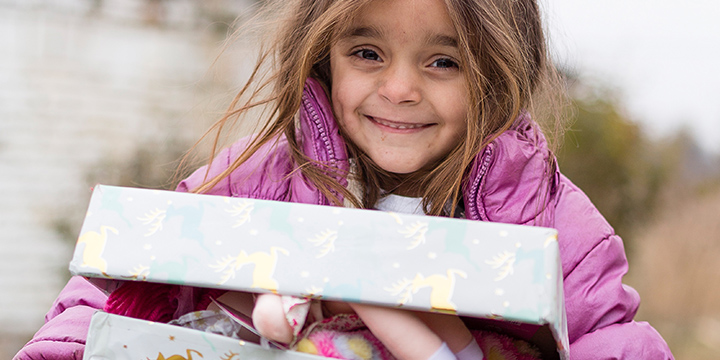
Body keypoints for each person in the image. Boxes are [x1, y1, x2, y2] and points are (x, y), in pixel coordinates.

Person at [15, 0, 674, 359]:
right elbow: (107, 301)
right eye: (367, 53)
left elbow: (613, 343)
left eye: (442, 61)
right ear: (325, 54)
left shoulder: (545, 215)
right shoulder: (258, 176)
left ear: (494, 72)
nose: (399, 89)